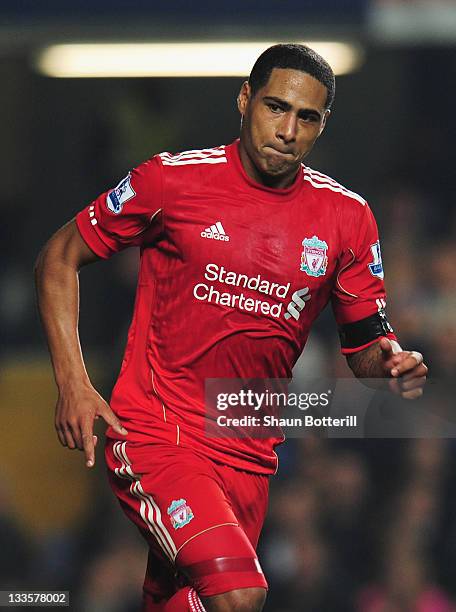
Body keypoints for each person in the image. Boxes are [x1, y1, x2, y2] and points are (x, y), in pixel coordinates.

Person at [35, 43, 428, 612]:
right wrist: (73, 382)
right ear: (244, 99)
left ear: (322, 125)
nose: (288, 129)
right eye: (275, 107)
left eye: (306, 117)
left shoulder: (348, 219)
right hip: (156, 432)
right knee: (240, 594)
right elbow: (58, 257)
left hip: (248, 454)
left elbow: (366, 345)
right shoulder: (169, 182)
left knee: (185, 601)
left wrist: (390, 361)